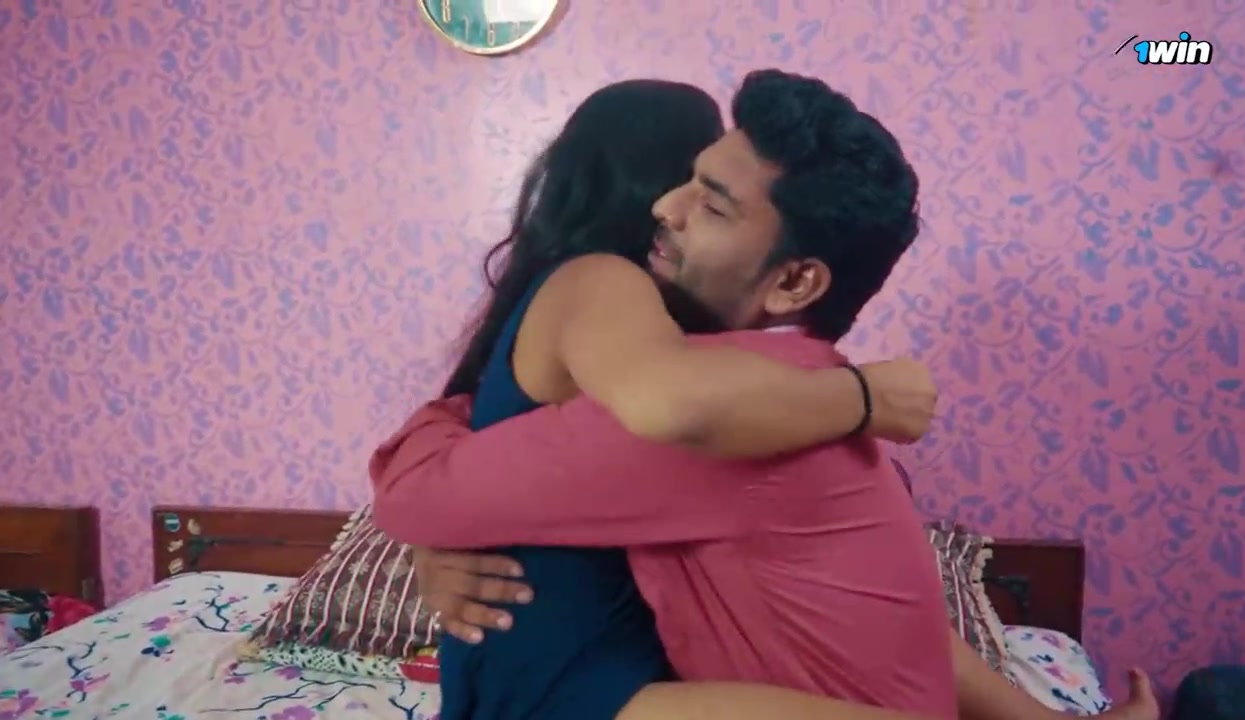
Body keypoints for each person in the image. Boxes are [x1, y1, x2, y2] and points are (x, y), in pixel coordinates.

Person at [372, 71, 1160, 720]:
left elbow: (423, 496)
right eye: (682, 179)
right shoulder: (801, 387)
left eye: (709, 200)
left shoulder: (728, 416)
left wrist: (434, 490)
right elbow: (900, 629)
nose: (664, 209)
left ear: (794, 281)